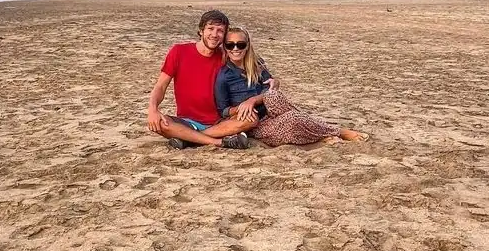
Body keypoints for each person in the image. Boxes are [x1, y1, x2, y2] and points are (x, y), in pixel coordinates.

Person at [215, 27, 367, 146]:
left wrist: (254, 99)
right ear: (225, 47)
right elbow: (223, 111)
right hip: (255, 122)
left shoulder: (257, 64)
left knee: (275, 97)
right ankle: (334, 133)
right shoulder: (224, 76)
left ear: (247, 46)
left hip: (273, 109)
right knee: (293, 120)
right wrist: (243, 107)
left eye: (240, 44)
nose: (235, 49)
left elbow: (272, 87)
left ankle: (334, 133)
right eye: (230, 45)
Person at [146, 10, 257, 149]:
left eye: (220, 31)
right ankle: (218, 142)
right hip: (187, 121)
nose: (215, 34)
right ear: (201, 31)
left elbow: (253, 64)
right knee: (160, 123)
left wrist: (273, 81)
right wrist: (152, 109)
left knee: (250, 119)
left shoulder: (226, 55)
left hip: (221, 122)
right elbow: (161, 86)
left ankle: (189, 139)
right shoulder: (179, 52)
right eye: (210, 29)